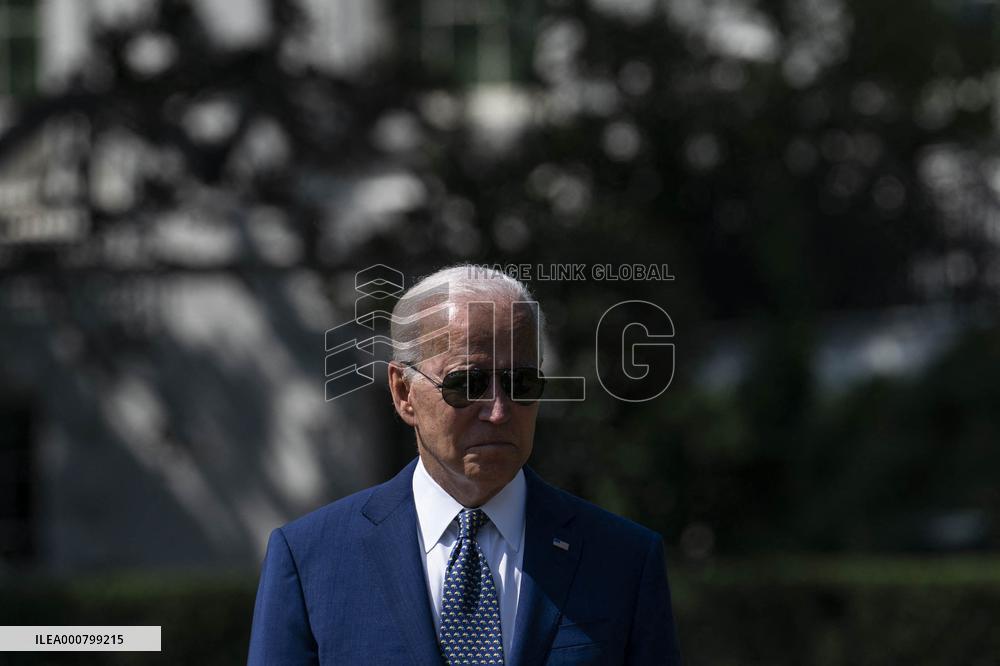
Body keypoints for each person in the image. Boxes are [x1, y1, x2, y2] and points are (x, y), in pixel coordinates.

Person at [248, 265, 682, 665]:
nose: (498, 410)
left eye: (521, 383)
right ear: (403, 392)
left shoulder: (622, 558)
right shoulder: (310, 559)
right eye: (466, 383)